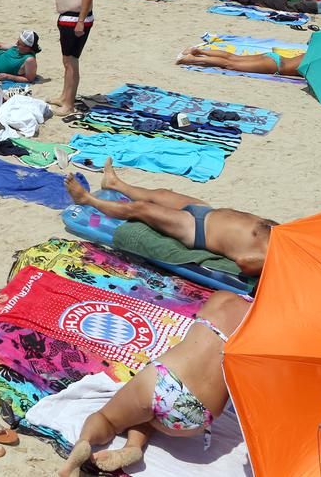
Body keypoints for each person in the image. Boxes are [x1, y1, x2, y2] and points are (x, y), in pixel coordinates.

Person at [56, 290, 251, 475]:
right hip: (198, 415)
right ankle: (133, 446)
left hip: (163, 379)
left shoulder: (224, 297)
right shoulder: (263, 333)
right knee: (147, 415)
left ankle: (84, 442)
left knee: (109, 418)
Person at [65, 159, 273, 275]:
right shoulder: (286, 234)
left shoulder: (273, 257)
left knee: (141, 209)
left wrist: (263, 262)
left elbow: (244, 263)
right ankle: (114, 184)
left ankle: (86, 200)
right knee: (161, 194)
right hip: (208, 211)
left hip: (196, 229)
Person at [54, 0, 99, 114]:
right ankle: (65, 96)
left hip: (75, 18)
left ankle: (68, 105)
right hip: (73, 17)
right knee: (68, 61)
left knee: (71, 62)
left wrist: (80, 21)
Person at [177, 45, 303, 77]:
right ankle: (191, 59)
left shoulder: (313, 54)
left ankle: (198, 51)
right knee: (231, 64)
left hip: (276, 57)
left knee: (233, 57)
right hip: (274, 66)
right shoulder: (317, 68)